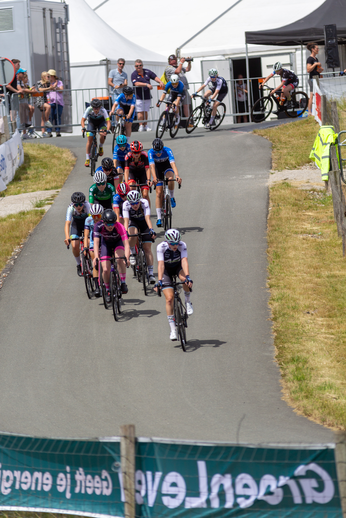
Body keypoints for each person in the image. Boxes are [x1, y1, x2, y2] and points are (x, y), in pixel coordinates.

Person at [154, 229, 193, 341]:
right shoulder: (161, 247)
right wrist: (160, 280)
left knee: (185, 279)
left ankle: (188, 301)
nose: (175, 245)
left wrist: (188, 276)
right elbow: (161, 264)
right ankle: (173, 330)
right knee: (169, 299)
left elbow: (184, 261)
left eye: (177, 243)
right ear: (167, 242)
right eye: (172, 243)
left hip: (177, 268)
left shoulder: (182, 245)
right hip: (166, 271)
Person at [93, 209, 130, 301]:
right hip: (106, 244)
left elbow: (126, 244)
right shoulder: (98, 226)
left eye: (112, 224)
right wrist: (96, 257)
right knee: (105, 269)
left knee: (119, 258)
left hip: (118, 242)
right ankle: (108, 290)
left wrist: (127, 258)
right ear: (103, 222)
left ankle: (123, 282)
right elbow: (96, 243)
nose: (110, 226)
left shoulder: (119, 226)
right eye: (108, 224)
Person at [122, 190, 156, 284]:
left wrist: (151, 229)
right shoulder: (125, 204)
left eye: (137, 202)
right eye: (132, 204)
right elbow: (126, 220)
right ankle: (132, 252)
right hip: (133, 222)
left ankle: (151, 274)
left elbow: (147, 218)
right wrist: (125, 232)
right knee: (133, 234)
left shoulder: (144, 202)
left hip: (144, 223)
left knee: (147, 249)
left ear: (139, 200)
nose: (135, 205)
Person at [148, 138, 182, 226]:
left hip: (167, 166)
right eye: (156, 151)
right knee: (159, 193)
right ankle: (159, 218)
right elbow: (152, 167)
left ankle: (171, 197)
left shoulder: (167, 151)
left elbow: (173, 164)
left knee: (170, 178)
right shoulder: (150, 152)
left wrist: (177, 176)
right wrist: (155, 178)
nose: (158, 153)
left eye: (160, 151)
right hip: (157, 169)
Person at [131, 59, 164, 132]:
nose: (138, 67)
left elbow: (154, 76)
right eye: (137, 66)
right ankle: (141, 125)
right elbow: (136, 83)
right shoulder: (134, 74)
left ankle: (145, 125)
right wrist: (146, 84)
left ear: (142, 65)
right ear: (135, 66)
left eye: (140, 65)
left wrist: (160, 82)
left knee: (145, 111)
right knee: (140, 111)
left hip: (147, 95)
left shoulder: (147, 71)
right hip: (138, 96)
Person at [64, 192, 91, 276]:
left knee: (90, 242)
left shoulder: (87, 205)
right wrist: (67, 237)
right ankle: (79, 264)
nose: (78, 207)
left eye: (80, 204)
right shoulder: (70, 208)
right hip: (76, 225)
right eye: (76, 205)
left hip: (87, 223)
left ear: (84, 203)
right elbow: (67, 223)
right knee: (75, 245)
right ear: (73, 204)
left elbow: (92, 220)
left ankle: (92, 260)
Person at [81, 98, 111, 167]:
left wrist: (107, 129)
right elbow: (82, 120)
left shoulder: (103, 110)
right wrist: (83, 127)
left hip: (101, 122)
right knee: (89, 139)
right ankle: (87, 158)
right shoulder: (89, 109)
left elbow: (108, 121)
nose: (96, 109)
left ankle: (101, 146)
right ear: (92, 107)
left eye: (97, 108)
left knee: (102, 133)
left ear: (100, 107)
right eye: (94, 108)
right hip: (92, 123)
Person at [165, 54, 192, 122]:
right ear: (169, 61)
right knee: (176, 106)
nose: (174, 61)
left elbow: (187, 69)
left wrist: (189, 62)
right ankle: (175, 121)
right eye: (173, 60)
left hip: (184, 89)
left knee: (186, 105)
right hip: (175, 90)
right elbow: (177, 71)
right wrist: (181, 63)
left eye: (175, 59)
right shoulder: (169, 68)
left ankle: (188, 122)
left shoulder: (179, 66)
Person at [84, 203, 104, 297]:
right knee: (95, 262)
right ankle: (97, 287)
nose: (96, 218)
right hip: (93, 241)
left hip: (104, 240)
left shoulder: (105, 220)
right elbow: (86, 235)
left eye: (98, 216)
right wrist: (85, 247)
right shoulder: (88, 220)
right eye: (94, 216)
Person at [306, 43, 323, 116]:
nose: (318, 50)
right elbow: (308, 70)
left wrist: (320, 69)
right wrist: (315, 64)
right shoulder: (310, 59)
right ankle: (309, 112)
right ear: (312, 49)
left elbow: (317, 70)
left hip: (317, 78)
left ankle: (318, 110)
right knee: (312, 95)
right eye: (317, 48)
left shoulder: (316, 59)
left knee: (318, 94)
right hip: (312, 79)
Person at [46, 69, 64, 137]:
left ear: (53, 76)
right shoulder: (47, 83)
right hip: (50, 102)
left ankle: (57, 131)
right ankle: (49, 132)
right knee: (50, 117)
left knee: (57, 117)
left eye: (49, 76)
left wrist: (55, 87)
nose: (48, 77)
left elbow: (61, 90)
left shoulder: (59, 82)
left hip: (58, 102)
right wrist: (52, 87)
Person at [35, 71, 53, 137]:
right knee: (48, 107)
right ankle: (47, 120)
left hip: (45, 100)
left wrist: (53, 87)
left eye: (49, 76)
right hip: (40, 100)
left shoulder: (47, 83)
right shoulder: (39, 82)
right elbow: (40, 89)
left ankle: (43, 132)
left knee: (42, 117)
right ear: (43, 77)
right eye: (48, 76)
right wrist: (49, 88)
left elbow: (51, 88)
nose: (49, 78)